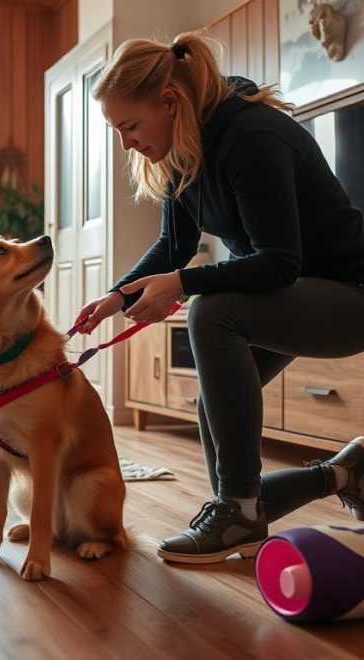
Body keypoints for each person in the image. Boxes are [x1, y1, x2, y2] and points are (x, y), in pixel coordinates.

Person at [74, 31, 364, 564]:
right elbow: (174, 246)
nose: (126, 143)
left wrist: (183, 284)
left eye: (130, 126)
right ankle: (341, 476)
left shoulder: (252, 136)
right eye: (117, 130)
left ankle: (238, 511)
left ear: (169, 101)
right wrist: (116, 297)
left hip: (350, 297)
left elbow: (280, 262)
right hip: (297, 294)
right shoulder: (186, 151)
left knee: (210, 311)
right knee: (218, 408)